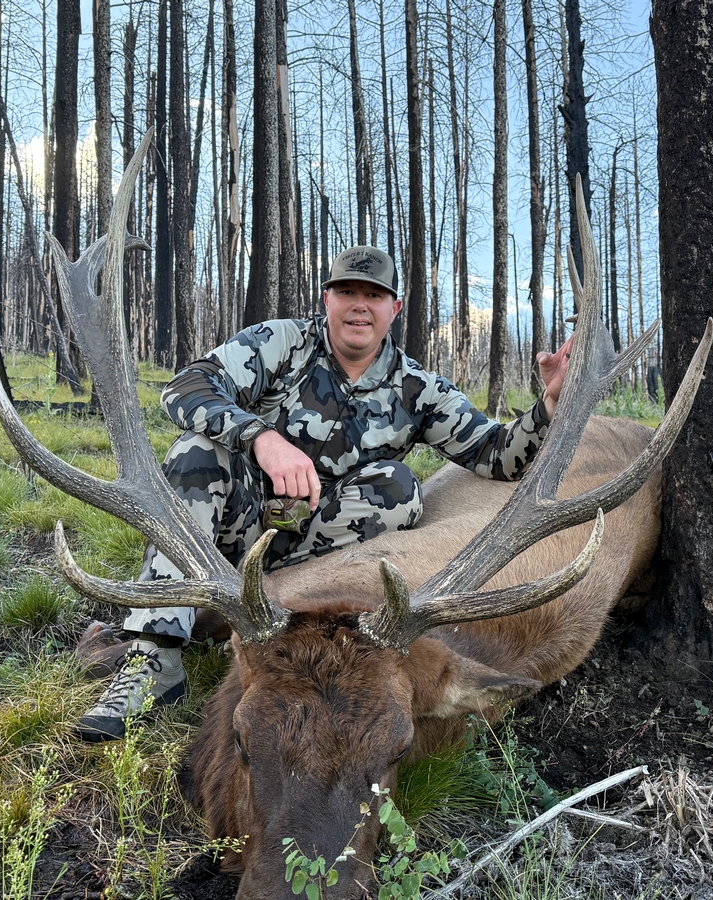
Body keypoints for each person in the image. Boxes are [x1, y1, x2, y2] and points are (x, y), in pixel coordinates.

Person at [77, 245, 572, 741]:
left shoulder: (417, 388)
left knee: (398, 488)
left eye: (374, 296)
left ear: (394, 308)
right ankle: (154, 657)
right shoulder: (280, 343)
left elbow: (496, 454)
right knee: (197, 451)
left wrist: (547, 406)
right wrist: (261, 438)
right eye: (347, 292)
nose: (360, 305)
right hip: (230, 529)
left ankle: (260, 613)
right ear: (327, 299)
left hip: (309, 556)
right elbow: (187, 386)